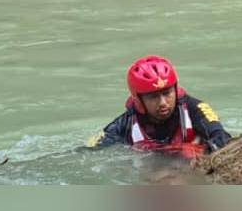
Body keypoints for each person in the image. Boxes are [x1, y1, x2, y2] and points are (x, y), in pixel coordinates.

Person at [87, 55, 231, 159]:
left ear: (175, 89)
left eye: (167, 93)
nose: (163, 102)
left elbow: (222, 137)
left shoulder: (195, 108)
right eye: (153, 96)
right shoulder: (124, 124)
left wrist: (203, 149)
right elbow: (90, 152)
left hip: (189, 167)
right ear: (138, 100)